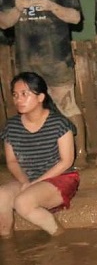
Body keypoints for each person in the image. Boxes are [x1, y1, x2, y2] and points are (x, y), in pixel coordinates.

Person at [0, 0, 87, 167]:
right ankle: (35, 161)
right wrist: (17, 9)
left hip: (58, 60)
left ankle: (81, 158)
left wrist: (51, 5)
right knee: (29, 112)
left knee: (68, 107)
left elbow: (76, 17)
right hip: (27, 63)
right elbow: (4, 22)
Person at [0, 72, 80, 238]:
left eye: (24, 94)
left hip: (60, 178)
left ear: (40, 97)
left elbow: (66, 162)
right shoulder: (12, 126)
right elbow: (12, 161)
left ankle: (60, 236)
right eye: (15, 95)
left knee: (23, 202)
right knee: (1, 197)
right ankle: (7, 242)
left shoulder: (59, 124)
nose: (18, 99)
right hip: (28, 179)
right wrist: (26, 182)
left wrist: (34, 183)